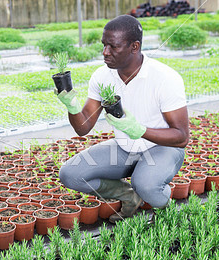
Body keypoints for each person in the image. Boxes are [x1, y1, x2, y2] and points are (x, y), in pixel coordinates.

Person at [57, 15, 189, 223]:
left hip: (162, 148)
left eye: (113, 46)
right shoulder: (102, 76)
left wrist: (140, 130)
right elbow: (83, 127)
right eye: (104, 45)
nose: (105, 52)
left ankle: (164, 207)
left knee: (145, 183)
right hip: (125, 148)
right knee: (70, 174)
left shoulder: (165, 78)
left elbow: (181, 137)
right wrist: (72, 107)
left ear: (134, 47)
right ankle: (130, 196)